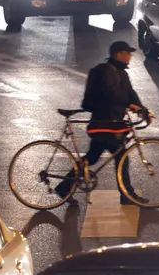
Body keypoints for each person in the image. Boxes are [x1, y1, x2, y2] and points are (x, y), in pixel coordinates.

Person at [61, 41, 147, 205]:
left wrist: (143, 110)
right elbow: (111, 95)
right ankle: (127, 195)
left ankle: (64, 187)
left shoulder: (121, 73)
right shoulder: (106, 72)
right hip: (105, 123)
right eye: (127, 53)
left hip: (111, 123)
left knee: (92, 157)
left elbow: (130, 93)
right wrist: (130, 105)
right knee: (122, 157)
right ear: (118, 54)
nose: (130, 56)